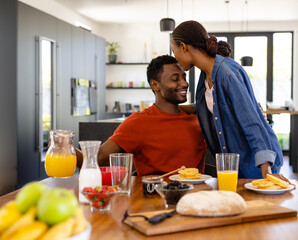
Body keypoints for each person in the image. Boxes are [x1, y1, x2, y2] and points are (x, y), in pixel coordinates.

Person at [170, 20, 283, 179]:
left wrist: (267, 173)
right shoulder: (205, 75)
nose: (175, 57)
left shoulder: (226, 74)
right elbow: (213, 106)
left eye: (174, 51)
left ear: (183, 46)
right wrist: (175, 109)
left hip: (255, 164)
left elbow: (251, 121)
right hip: (235, 163)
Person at [76, 55, 207, 176]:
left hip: (196, 197)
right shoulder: (139, 122)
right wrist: (64, 145)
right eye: (175, 79)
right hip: (155, 197)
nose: (184, 83)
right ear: (155, 85)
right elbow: (96, 160)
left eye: (184, 77)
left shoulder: (198, 118)